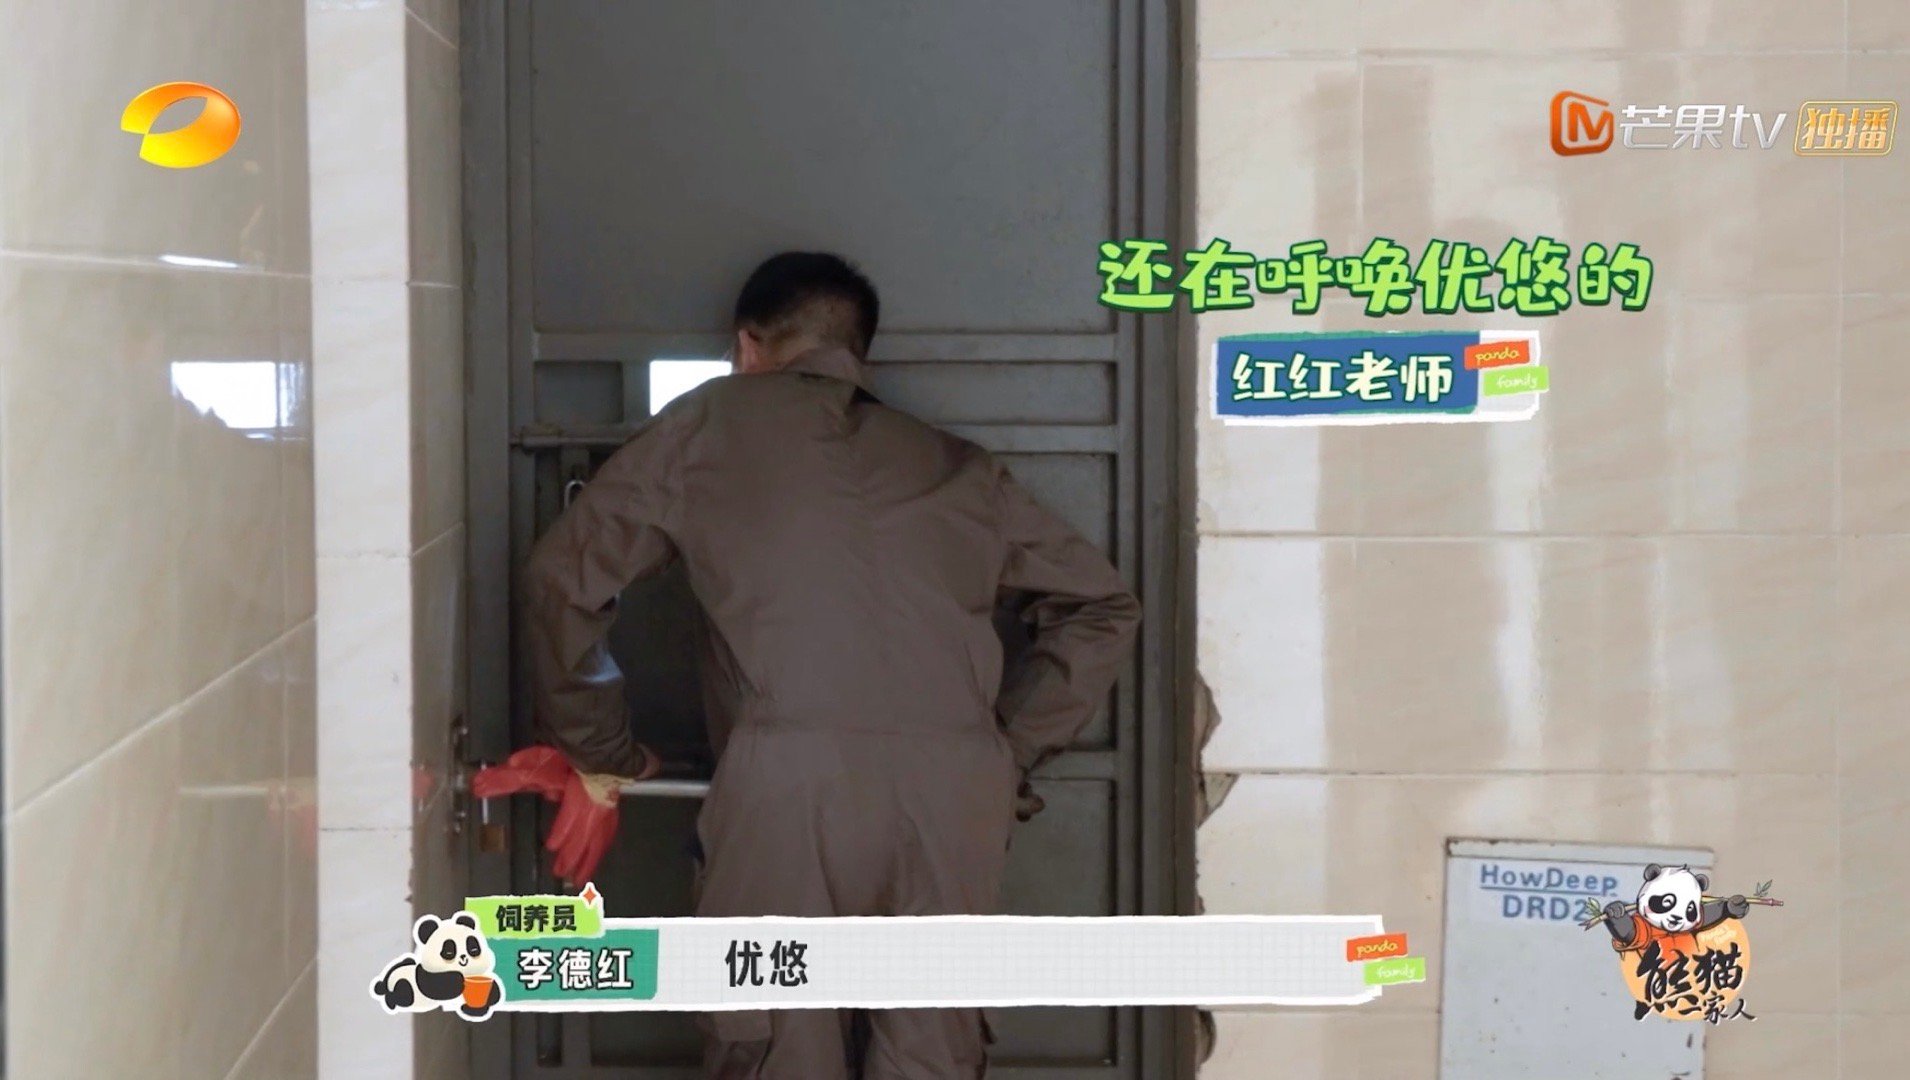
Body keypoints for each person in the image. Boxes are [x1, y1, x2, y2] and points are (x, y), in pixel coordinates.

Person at [521, 251, 1140, 1079]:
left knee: (775, 1041)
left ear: (747, 346)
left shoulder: (707, 426)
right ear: (858, 351)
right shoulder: (956, 463)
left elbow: (563, 580)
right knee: (931, 1053)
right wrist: (1006, 748)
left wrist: (603, 749)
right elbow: (1103, 607)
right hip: (953, 795)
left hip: (787, 793)